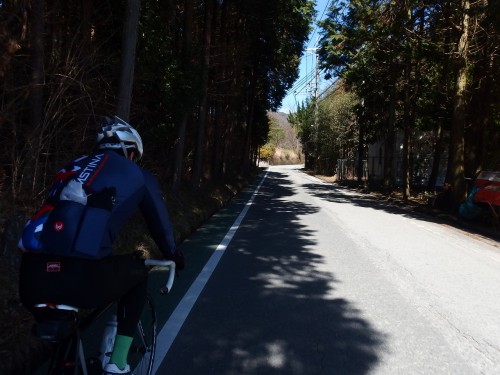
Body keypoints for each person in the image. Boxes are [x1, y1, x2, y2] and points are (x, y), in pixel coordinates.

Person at [18, 115, 185, 375]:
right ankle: (117, 362)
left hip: (30, 278)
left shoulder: (72, 166)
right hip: (82, 278)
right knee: (138, 272)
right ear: (130, 151)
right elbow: (160, 224)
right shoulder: (137, 173)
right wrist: (173, 254)